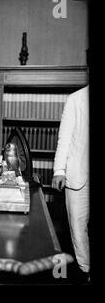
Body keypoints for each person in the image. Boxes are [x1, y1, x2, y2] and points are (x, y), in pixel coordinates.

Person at [51, 85, 89, 282]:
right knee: (77, 225)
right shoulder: (76, 99)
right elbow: (64, 139)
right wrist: (59, 170)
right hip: (79, 174)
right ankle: (86, 270)